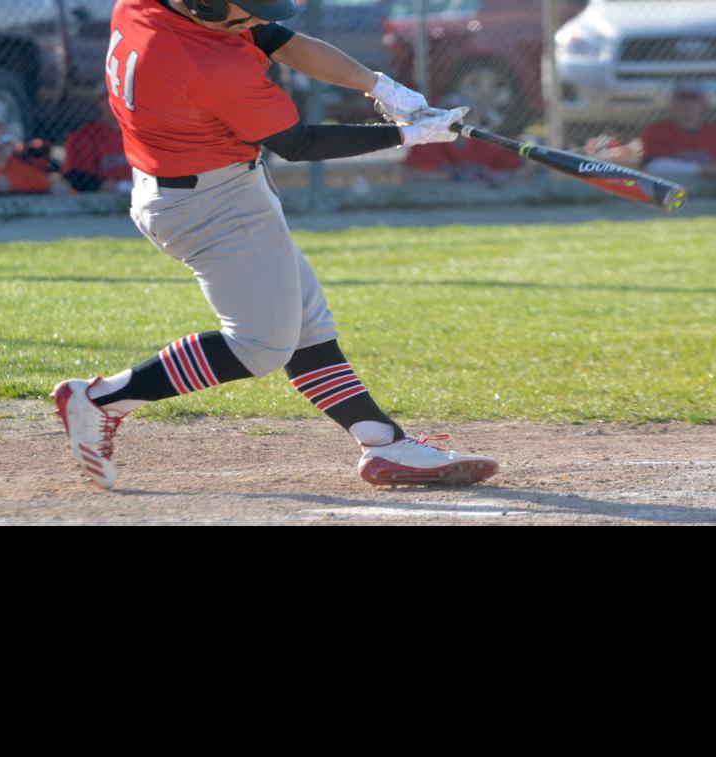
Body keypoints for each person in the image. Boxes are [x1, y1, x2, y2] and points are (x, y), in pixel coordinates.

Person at [51, 0, 496, 489]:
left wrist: (381, 86)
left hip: (202, 184)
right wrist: (409, 134)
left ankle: (385, 443)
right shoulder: (206, 63)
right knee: (261, 345)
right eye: (242, 14)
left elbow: (276, 39)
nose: (255, 22)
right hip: (211, 203)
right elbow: (298, 143)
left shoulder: (153, 6)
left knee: (306, 325)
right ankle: (100, 400)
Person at [636, 81, 716, 178]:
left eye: (693, 100)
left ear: (704, 104)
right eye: (682, 100)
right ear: (672, 105)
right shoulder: (656, 131)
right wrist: (705, 170)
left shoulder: (715, 133)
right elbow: (653, 166)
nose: (687, 106)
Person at [403, 95, 528, 185]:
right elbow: (408, 174)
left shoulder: (486, 143)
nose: (458, 121)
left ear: (475, 117)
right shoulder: (428, 143)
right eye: (450, 116)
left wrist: (492, 176)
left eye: (465, 116)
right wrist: (450, 176)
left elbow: (523, 170)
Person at [62, 89, 134, 192]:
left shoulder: (148, 132)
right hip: (100, 201)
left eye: (124, 95)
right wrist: (121, 186)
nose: (120, 100)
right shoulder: (85, 135)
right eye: (113, 95)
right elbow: (77, 179)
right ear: (100, 102)